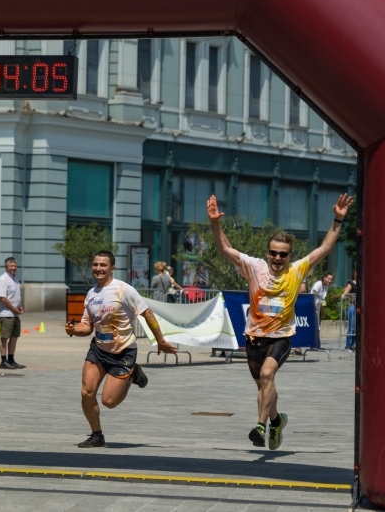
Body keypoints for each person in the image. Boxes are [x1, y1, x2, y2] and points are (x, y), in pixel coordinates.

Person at [207, 192, 352, 450]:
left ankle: (260, 426)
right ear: (267, 253)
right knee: (264, 388)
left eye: (282, 255)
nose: (277, 258)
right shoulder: (254, 267)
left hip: (281, 338)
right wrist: (215, 222)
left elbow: (325, 248)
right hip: (254, 337)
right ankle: (277, 420)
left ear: (289, 256)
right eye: (273, 253)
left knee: (267, 374)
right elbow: (225, 249)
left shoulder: (296, 271)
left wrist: (337, 220)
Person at [65, 250, 178, 448]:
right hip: (98, 350)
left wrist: (160, 340)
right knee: (86, 392)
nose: (98, 268)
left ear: (112, 268)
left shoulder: (124, 290)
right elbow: (87, 326)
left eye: (103, 265)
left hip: (123, 352)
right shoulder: (91, 294)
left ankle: (133, 373)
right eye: (95, 264)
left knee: (109, 401)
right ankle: (97, 435)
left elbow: (147, 313)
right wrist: (74, 330)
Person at [0, 257, 24, 369]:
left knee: (14, 337)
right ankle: (3, 361)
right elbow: (3, 298)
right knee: (5, 337)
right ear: (6, 267)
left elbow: (15, 296)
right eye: (11, 266)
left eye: (15, 266)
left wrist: (19, 306)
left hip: (15, 314)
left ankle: (11, 360)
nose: (13, 268)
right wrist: (13, 308)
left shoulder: (15, 279)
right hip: (7, 314)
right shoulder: (3, 279)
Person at [342, 270, 357, 350]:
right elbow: (344, 296)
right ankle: (348, 345)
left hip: (358, 308)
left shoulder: (361, 284)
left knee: (357, 328)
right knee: (351, 327)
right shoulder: (351, 284)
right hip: (352, 307)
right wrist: (351, 297)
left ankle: (352, 344)